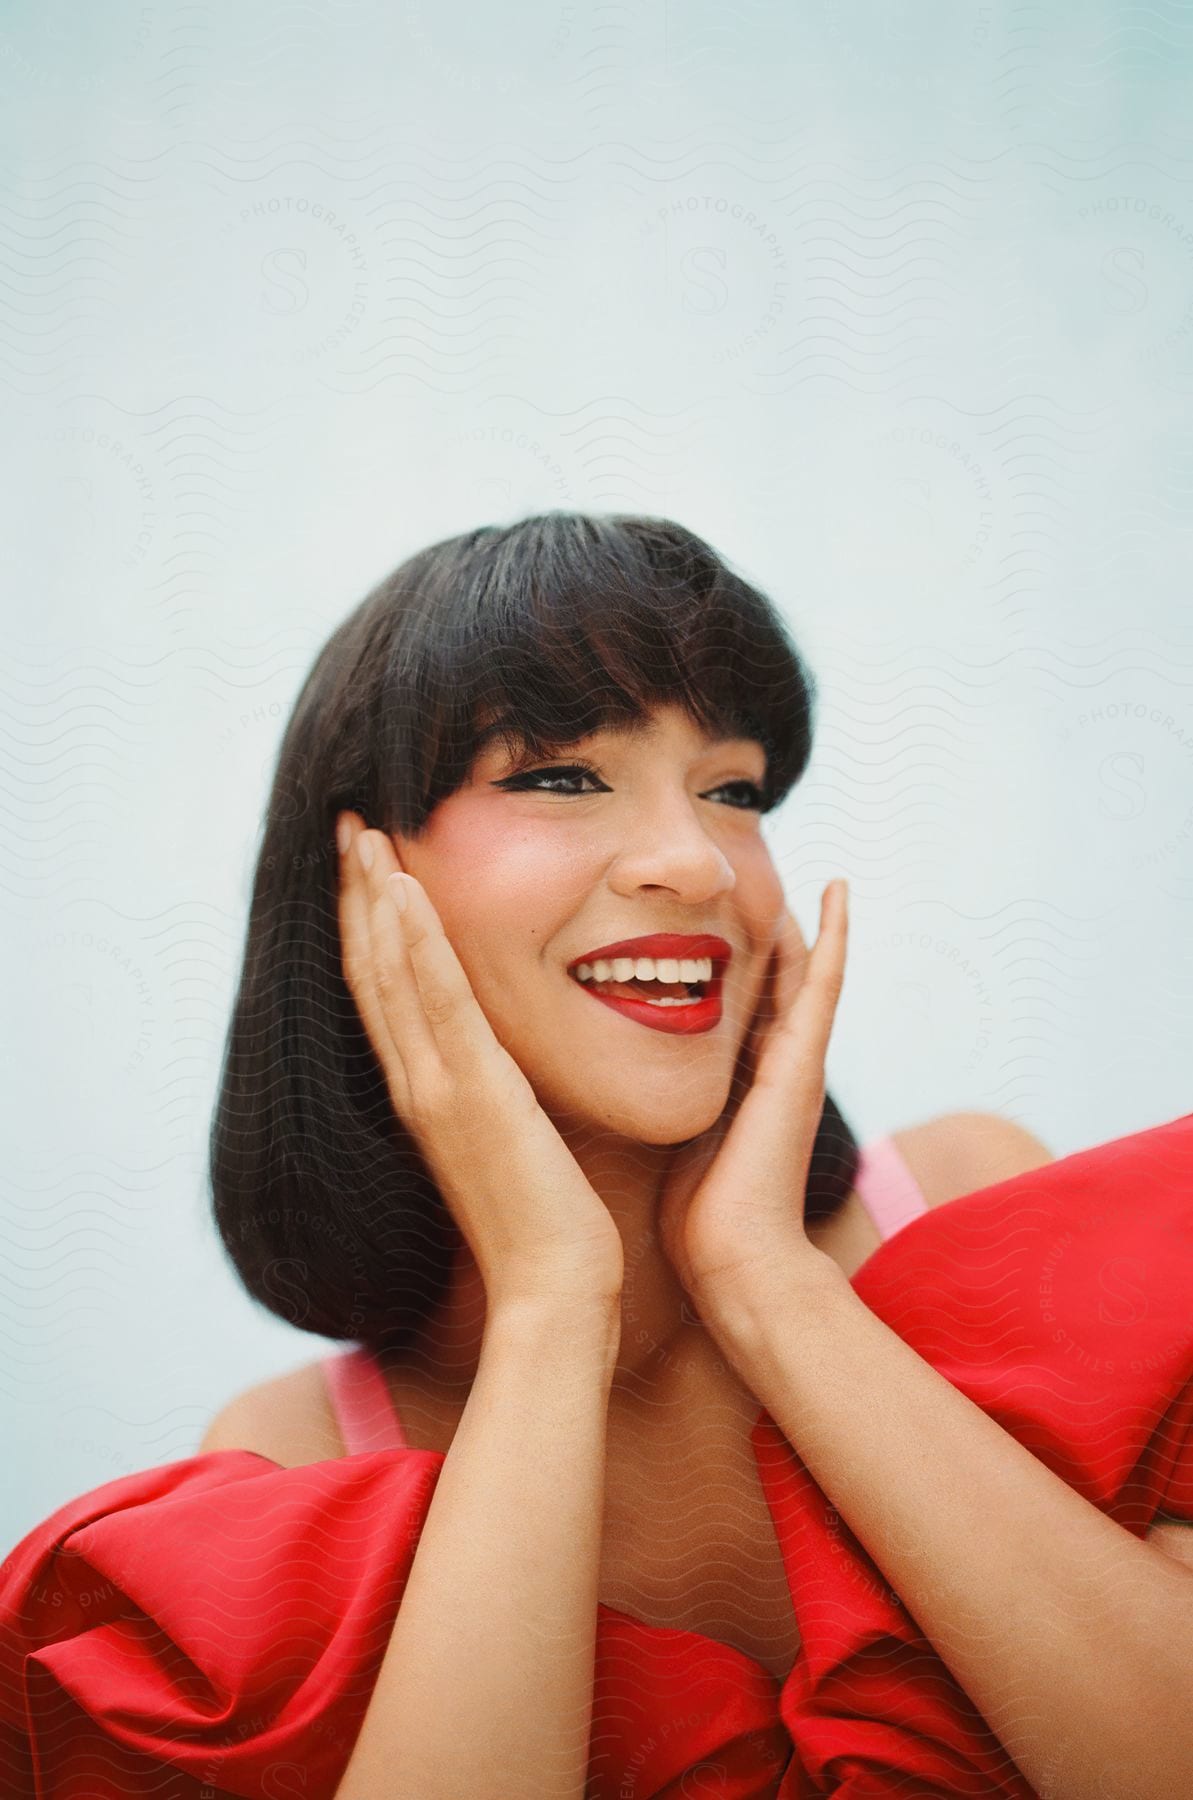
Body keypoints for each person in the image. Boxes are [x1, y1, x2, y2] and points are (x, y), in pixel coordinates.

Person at [3, 513, 1192, 1799]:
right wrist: (551, 1300)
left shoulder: (979, 1199)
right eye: (560, 775)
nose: (693, 863)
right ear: (365, 875)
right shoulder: (297, 1461)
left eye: (732, 789)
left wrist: (766, 1284)